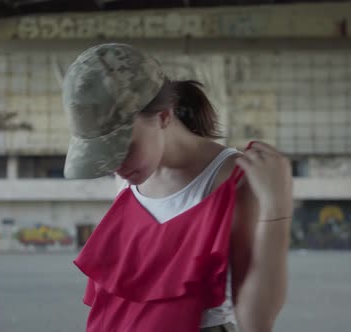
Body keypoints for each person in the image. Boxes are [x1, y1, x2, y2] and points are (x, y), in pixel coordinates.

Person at [61, 43, 292, 332]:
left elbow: (256, 323)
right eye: (104, 156)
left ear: (164, 116)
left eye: (123, 149)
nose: (115, 166)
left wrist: (277, 210)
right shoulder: (128, 177)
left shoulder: (233, 180)